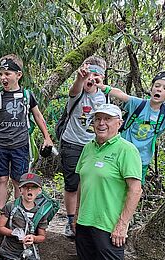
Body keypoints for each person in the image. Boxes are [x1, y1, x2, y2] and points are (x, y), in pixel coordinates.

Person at [74, 103, 142, 260]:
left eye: (107, 119)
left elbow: (135, 189)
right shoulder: (88, 148)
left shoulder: (126, 150)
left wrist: (122, 224)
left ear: (119, 123)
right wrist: (77, 215)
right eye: (98, 119)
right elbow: (82, 183)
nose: (101, 123)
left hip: (109, 225)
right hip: (85, 222)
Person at [0, 54, 53, 221]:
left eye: (7, 74)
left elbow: (38, 116)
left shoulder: (27, 95)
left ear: (18, 75)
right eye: (1, 74)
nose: (3, 78)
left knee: (17, 180)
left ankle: (16, 211)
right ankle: (1, 212)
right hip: (0, 143)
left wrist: (47, 137)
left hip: (20, 144)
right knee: (1, 178)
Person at [97, 70, 165, 182]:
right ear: (151, 88)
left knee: (133, 190)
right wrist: (103, 87)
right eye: (157, 86)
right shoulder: (138, 104)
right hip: (119, 154)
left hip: (141, 160)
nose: (159, 89)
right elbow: (121, 95)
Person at [59, 56, 108, 238]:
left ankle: (86, 220)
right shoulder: (78, 92)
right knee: (72, 184)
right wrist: (80, 78)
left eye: (96, 75)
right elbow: (74, 90)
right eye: (89, 73)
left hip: (94, 146)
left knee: (90, 184)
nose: (91, 78)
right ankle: (70, 220)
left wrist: (101, 85)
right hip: (72, 143)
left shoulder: (105, 96)